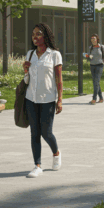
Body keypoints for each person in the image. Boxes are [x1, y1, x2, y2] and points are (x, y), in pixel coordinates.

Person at [22, 23, 63, 179]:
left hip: (48, 99)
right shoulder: (30, 54)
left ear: (45, 36)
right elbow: (27, 80)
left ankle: (56, 152)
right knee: (34, 133)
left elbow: (59, 79)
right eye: (33, 34)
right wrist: (25, 71)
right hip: (30, 99)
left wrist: (60, 99)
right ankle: (37, 165)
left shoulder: (54, 55)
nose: (35, 37)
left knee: (46, 132)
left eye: (38, 34)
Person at [85, 33, 104, 105]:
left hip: (99, 65)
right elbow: (89, 57)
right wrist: (87, 56)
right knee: (96, 82)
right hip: (92, 65)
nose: (92, 40)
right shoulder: (90, 48)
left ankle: (94, 98)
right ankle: (101, 98)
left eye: (94, 39)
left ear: (97, 39)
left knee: (96, 81)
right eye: (91, 39)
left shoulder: (101, 47)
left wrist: (103, 62)